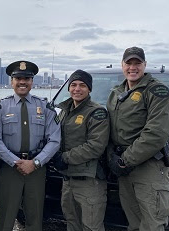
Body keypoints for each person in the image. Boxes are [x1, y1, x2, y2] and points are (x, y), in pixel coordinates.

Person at [106, 46, 169, 230]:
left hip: (148, 167)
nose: (133, 67)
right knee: (134, 223)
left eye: (137, 63)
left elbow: (155, 133)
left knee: (153, 223)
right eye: (129, 63)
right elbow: (110, 128)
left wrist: (125, 160)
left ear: (145, 65)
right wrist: (111, 155)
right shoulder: (115, 93)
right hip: (123, 168)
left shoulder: (157, 91)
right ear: (122, 65)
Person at [0, 60, 61, 231]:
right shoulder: (1, 107)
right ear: (11, 81)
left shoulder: (44, 106)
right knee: (5, 217)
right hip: (9, 168)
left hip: (36, 168)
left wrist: (35, 163)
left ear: (32, 82)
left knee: (35, 217)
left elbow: (55, 139)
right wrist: (15, 162)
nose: (22, 82)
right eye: (18, 78)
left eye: (27, 78)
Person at [53, 70, 109, 231]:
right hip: (68, 179)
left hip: (89, 181)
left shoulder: (97, 112)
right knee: (72, 222)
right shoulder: (65, 111)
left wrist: (64, 158)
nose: (77, 89)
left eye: (82, 85)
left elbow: (95, 146)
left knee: (91, 226)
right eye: (73, 85)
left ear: (89, 89)